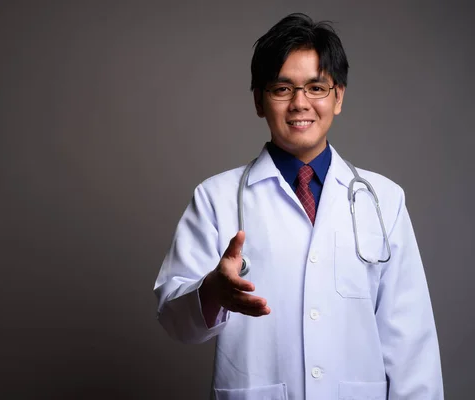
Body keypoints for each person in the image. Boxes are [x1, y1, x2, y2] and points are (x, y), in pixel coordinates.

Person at [153, 12, 443, 400]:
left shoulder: (384, 201)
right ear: (259, 100)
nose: (300, 104)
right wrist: (211, 292)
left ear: (338, 97)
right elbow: (175, 321)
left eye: (316, 87)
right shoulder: (216, 198)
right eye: (282, 89)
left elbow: (411, 345)